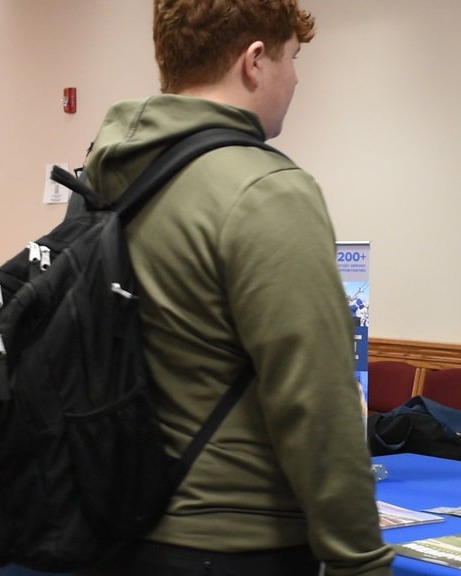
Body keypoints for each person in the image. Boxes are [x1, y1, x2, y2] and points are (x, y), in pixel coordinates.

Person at [76, 1, 394, 574]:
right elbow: (317, 403)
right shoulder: (267, 190)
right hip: (234, 542)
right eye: (292, 59)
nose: (295, 78)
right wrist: (361, 561)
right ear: (254, 62)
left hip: (115, 525)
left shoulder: (102, 177)